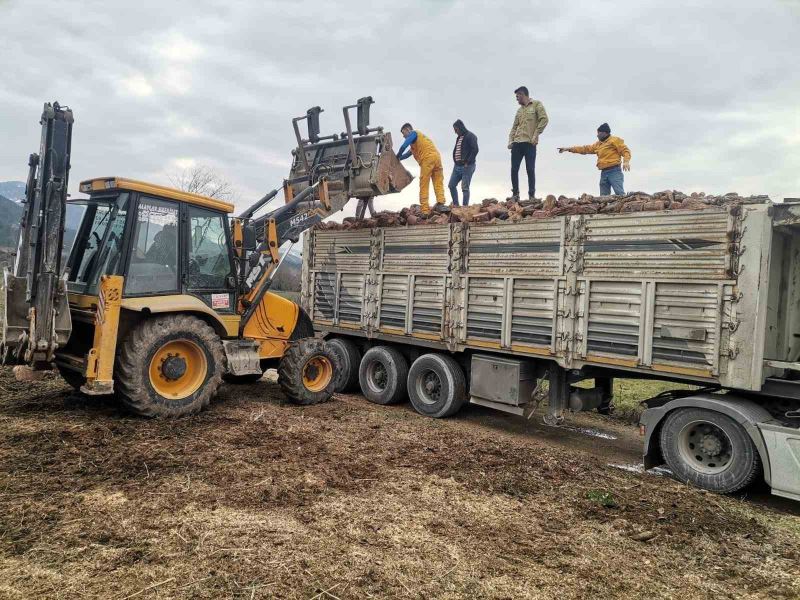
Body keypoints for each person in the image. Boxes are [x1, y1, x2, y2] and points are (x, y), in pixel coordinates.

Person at [558, 123, 631, 196]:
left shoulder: (614, 140)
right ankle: (605, 207)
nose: (597, 135)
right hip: (604, 172)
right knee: (603, 196)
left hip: (614, 171)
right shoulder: (598, 144)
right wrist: (568, 149)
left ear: (604, 132)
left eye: (598, 133)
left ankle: (627, 206)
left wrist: (626, 161)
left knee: (619, 193)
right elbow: (585, 149)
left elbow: (625, 150)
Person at [508, 86, 548, 201]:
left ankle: (531, 195)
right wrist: (510, 141)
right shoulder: (519, 110)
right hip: (517, 143)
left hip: (530, 143)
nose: (516, 99)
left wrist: (536, 134)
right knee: (514, 169)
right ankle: (515, 194)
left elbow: (544, 119)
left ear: (523, 94)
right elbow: (514, 127)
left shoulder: (536, 104)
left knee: (530, 169)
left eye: (517, 96)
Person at [396, 123, 446, 215]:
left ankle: (425, 210)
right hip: (437, 158)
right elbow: (407, 154)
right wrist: (399, 158)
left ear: (408, 130)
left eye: (403, 133)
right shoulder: (419, 140)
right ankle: (441, 204)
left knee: (424, 183)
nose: (403, 136)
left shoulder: (413, 133)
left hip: (428, 159)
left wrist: (397, 156)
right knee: (438, 181)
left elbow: (404, 146)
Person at [448, 119, 479, 206]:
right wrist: (455, 161)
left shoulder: (471, 136)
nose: (455, 132)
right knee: (451, 185)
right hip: (457, 166)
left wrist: (467, 162)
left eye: (456, 129)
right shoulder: (458, 137)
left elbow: (475, 149)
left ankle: (465, 207)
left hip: (467, 166)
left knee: (465, 188)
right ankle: (456, 205)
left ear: (460, 128)